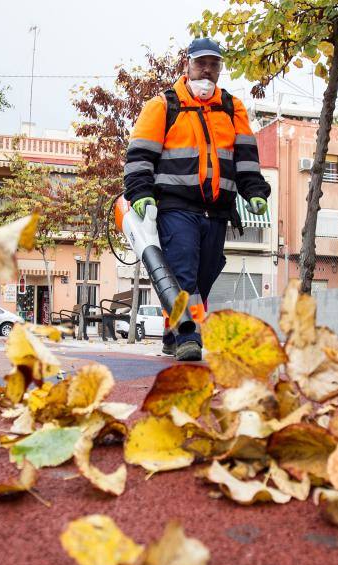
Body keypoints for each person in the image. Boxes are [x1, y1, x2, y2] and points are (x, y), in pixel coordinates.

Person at [124, 37, 271, 361]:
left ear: (219, 68)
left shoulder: (233, 108)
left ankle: (171, 331)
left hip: (217, 212)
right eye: (201, 62)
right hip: (176, 208)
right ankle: (189, 337)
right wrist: (140, 194)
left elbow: (247, 159)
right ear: (187, 65)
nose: (207, 69)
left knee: (202, 277)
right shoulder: (163, 105)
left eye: (214, 64)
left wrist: (255, 193)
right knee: (183, 274)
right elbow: (139, 157)